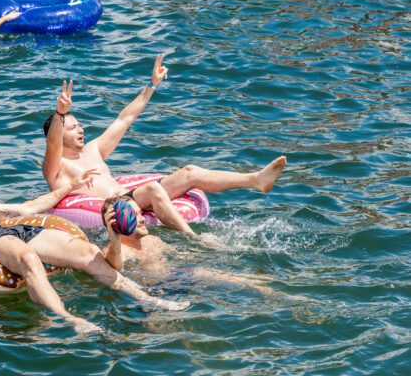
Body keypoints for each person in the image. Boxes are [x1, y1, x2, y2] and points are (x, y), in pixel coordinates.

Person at [0, 144, 188, 333]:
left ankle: (146, 298)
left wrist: (69, 188)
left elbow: (28, 208)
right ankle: (71, 320)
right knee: (28, 258)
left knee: (88, 252)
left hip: (12, 229)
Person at [42, 54, 287, 240]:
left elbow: (124, 119)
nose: (81, 130)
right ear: (57, 135)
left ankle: (256, 180)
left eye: (79, 125)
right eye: (72, 128)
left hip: (133, 197)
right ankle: (195, 238)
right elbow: (53, 145)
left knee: (190, 171)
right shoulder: (57, 167)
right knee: (152, 190)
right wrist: (59, 114)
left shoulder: (94, 149)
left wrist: (152, 85)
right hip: (114, 206)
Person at [101, 196, 276, 296]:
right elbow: (115, 266)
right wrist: (115, 237)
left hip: (182, 276)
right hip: (155, 291)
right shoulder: (116, 249)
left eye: (140, 213)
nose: (141, 219)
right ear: (117, 223)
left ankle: (279, 296)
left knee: (249, 282)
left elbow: (181, 255)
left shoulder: (153, 240)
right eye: (133, 216)